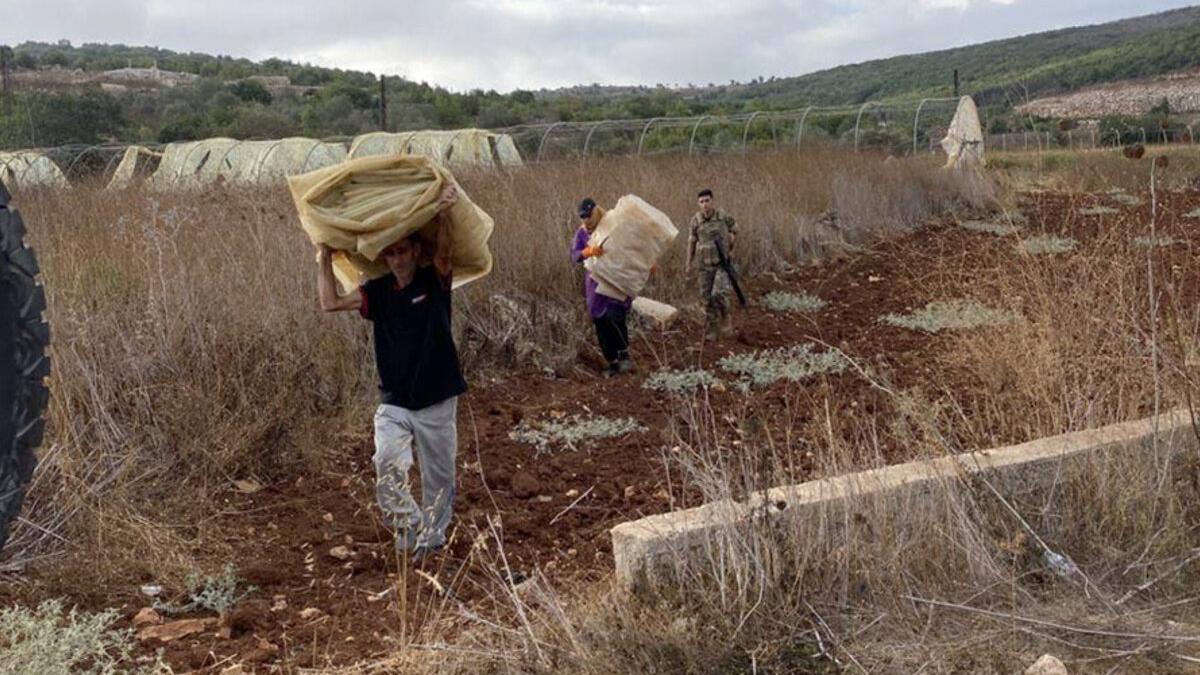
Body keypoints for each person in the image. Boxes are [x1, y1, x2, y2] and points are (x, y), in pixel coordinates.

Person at [316, 183, 463, 563]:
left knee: (440, 476)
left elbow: (446, 253)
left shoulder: (434, 280)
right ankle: (407, 525)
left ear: (416, 251)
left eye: (402, 251)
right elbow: (329, 303)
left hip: (436, 396)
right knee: (387, 461)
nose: (397, 259)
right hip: (395, 399)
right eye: (390, 253)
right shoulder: (377, 292)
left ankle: (432, 539)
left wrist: (445, 212)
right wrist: (323, 257)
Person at [571, 197, 634, 376]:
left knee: (616, 316)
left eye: (589, 216)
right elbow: (574, 255)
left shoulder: (611, 225)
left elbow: (630, 246)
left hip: (615, 280)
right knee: (600, 321)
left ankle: (624, 355)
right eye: (583, 217)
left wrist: (644, 263)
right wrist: (587, 251)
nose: (586, 220)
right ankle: (612, 362)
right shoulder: (582, 234)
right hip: (595, 284)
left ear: (596, 211)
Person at [685, 188, 738, 339]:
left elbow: (735, 229)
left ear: (712, 201)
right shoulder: (695, 221)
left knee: (718, 294)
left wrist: (732, 248)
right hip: (704, 265)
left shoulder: (722, 216)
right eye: (701, 202)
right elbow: (691, 243)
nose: (705, 204)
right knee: (706, 298)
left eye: (707, 201)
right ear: (698, 203)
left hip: (721, 263)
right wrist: (688, 263)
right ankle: (712, 329)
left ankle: (726, 317)